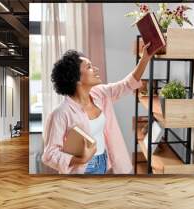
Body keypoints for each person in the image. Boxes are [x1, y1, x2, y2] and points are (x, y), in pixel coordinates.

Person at [42, 42, 155, 174]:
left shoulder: (99, 94)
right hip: (83, 168)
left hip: (103, 161)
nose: (96, 69)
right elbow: (49, 154)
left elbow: (127, 84)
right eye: (89, 67)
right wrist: (81, 159)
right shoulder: (61, 113)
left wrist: (145, 58)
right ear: (77, 78)